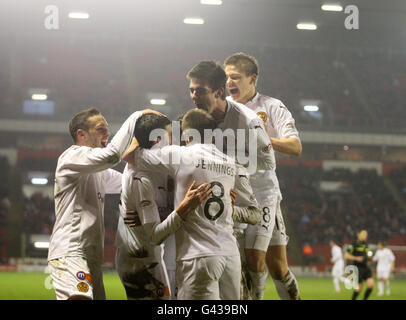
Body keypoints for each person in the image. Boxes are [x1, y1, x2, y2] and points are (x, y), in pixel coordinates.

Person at [126, 109, 262, 300]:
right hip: (230, 256)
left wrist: (143, 118)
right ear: (213, 135)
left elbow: (131, 155)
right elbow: (256, 214)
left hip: (198, 256)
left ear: (185, 135)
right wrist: (229, 209)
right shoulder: (232, 164)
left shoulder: (180, 155)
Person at [186, 60, 277, 300]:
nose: (194, 96)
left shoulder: (247, 121)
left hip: (251, 195)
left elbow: (269, 163)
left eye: (200, 91)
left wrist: (232, 171)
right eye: (192, 90)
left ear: (218, 92)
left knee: (251, 269)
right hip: (219, 204)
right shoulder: (195, 120)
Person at [47, 107, 156, 300]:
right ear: (81, 134)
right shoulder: (72, 156)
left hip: (91, 256)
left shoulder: (98, 172)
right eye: (101, 129)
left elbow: (129, 182)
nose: (108, 133)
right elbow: (112, 156)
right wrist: (136, 116)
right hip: (71, 251)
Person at [223, 53, 302, 300]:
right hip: (235, 193)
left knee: (269, 265)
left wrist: (263, 139)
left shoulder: (271, 106)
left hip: (264, 193)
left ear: (252, 78)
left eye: (235, 77)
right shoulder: (222, 107)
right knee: (262, 262)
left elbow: (295, 147)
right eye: (226, 77)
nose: (229, 82)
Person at [116, 114, 212, 300]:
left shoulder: (164, 168)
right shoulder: (140, 173)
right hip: (140, 259)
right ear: (157, 139)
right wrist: (183, 208)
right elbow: (156, 234)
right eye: (171, 134)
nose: (177, 140)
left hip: (157, 253)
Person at [345, 229, 374, 300]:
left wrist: (370, 258)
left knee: (371, 285)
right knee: (359, 288)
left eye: (366, 234)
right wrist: (356, 258)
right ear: (358, 234)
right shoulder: (353, 245)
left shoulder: (366, 245)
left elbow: (368, 254)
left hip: (366, 268)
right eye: (364, 234)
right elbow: (347, 256)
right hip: (358, 268)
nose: (365, 236)